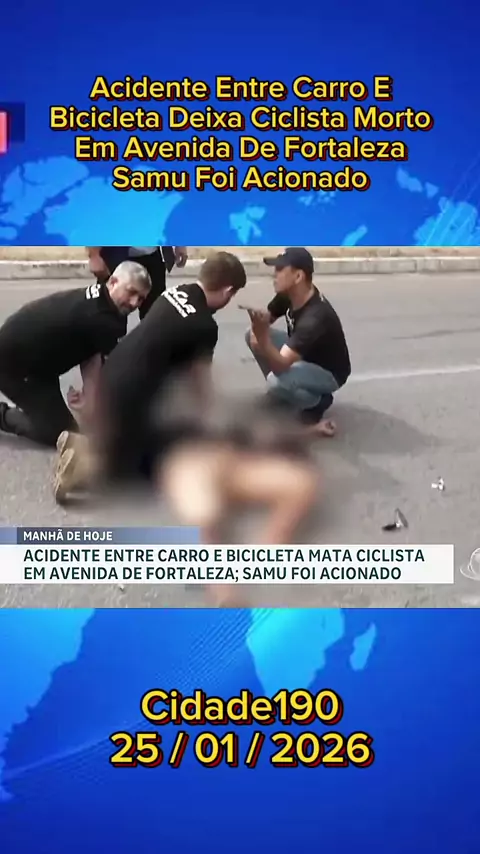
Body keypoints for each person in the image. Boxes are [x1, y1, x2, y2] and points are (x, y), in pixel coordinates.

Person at [53, 251, 247, 500]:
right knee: (163, 467)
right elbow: (200, 389)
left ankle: (95, 445)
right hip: (128, 399)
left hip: (110, 377)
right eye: (233, 294)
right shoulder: (204, 326)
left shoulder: (176, 292)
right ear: (228, 291)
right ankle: (86, 466)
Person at [0, 261, 151, 449]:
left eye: (141, 299)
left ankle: (39, 409)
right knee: (59, 435)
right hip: (14, 365)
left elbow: (92, 352)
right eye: (131, 292)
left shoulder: (103, 301)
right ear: (113, 282)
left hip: (40, 366)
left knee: (71, 432)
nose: (134, 302)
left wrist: (89, 396)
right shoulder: (104, 320)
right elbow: (116, 375)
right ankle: (5, 415)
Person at [245, 247, 351, 437]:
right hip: (303, 355)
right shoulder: (288, 295)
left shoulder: (316, 317)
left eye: (280, 270)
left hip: (328, 371)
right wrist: (257, 328)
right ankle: (283, 394)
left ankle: (317, 402)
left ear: (298, 276)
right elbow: (267, 319)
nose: (274, 275)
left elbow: (280, 365)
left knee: (275, 380)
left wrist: (262, 339)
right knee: (249, 334)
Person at [86, 245, 188, 320]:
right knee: (109, 313)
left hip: (154, 255)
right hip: (114, 254)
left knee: (154, 315)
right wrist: (94, 255)